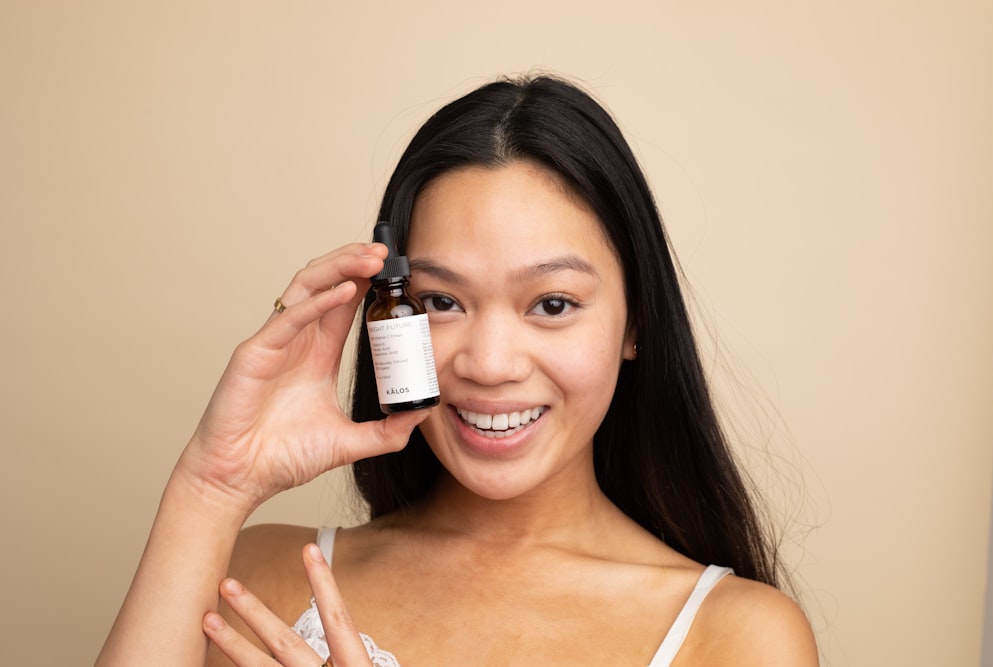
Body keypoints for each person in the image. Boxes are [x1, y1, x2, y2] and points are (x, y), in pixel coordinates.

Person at [97, 74, 818, 666]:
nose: (489, 363)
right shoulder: (262, 577)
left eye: (553, 303)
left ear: (636, 325)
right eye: (442, 300)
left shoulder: (738, 636)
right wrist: (212, 484)